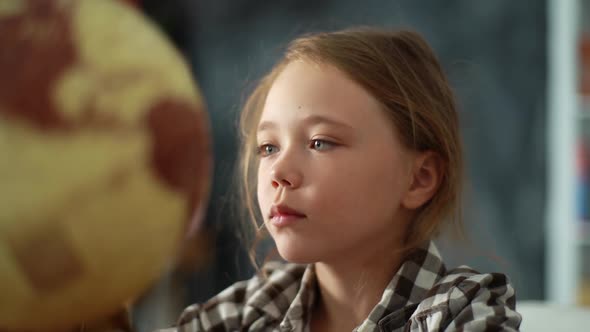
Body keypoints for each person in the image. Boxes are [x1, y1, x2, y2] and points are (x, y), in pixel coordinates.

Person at [165, 27, 522, 332]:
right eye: (268, 147)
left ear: (419, 179)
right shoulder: (247, 312)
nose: (279, 173)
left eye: (320, 142)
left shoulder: (463, 311)